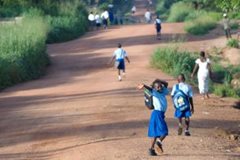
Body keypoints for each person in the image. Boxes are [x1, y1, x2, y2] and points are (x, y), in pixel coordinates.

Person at [137, 79, 169, 156]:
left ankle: (151, 150)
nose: (160, 88)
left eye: (160, 86)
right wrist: (144, 85)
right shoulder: (154, 92)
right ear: (155, 88)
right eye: (157, 87)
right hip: (157, 114)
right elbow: (150, 89)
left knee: (155, 133)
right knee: (164, 131)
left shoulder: (163, 91)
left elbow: (166, 84)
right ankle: (159, 142)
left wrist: (158, 81)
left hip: (158, 114)